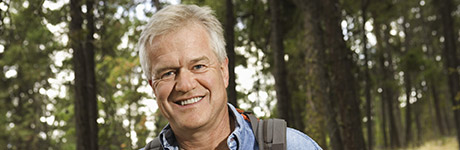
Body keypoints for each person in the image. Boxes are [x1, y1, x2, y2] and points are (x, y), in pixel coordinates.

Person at [138, 4, 322, 150]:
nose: (185, 85)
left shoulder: (293, 146)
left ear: (224, 71)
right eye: (168, 73)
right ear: (153, 87)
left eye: (199, 66)